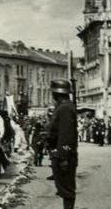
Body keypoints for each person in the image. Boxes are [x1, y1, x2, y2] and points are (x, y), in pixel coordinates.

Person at [47, 79, 78, 209]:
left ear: (56, 93)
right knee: (64, 188)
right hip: (61, 154)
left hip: (63, 156)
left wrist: (63, 157)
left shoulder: (64, 108)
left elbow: (66, 134)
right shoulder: (64, 106)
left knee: (66, 189)